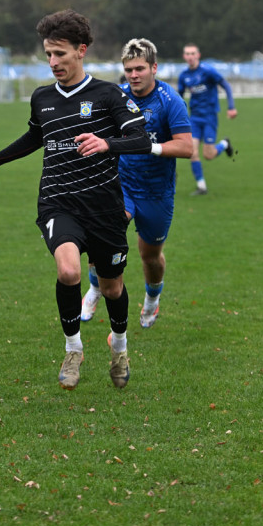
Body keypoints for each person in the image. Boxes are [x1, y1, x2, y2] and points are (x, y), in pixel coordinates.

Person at [0, 10, 154, 391]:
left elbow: (142, 140)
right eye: (48, 54)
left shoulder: (108, 94)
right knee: (68, 272)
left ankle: (119, 345)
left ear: (81, 51)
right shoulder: (43, 98)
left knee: (113, 288)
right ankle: (73, 349)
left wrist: (106, 143)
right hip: (58, 202)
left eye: (60, 54)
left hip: (104, 207)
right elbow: (35, 137)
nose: (53, 63)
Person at [81, 39, 193, 328]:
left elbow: (186, 147)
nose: (134, 75)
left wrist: (147, 147)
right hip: (121, 186)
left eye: (140, 68)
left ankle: (153, 300)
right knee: (101, 241)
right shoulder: (118, 97)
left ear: (154, 68)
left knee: (150, 256)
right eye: (129, 69)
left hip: (157, 193)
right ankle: (94, 289)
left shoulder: (171, 101)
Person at [177, 43, 236, 195]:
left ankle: (224, 143)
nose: (190, 56)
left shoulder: (208, 71)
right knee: (192, 152)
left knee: (208, 155)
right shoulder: (184, 76)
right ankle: (202, 186)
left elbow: (226, 86)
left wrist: (231, 107)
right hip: (194, 118)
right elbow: (180, 98)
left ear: (198, 55)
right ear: (184, 56)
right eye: (187, 54)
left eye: (193, 53)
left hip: (209, 117)